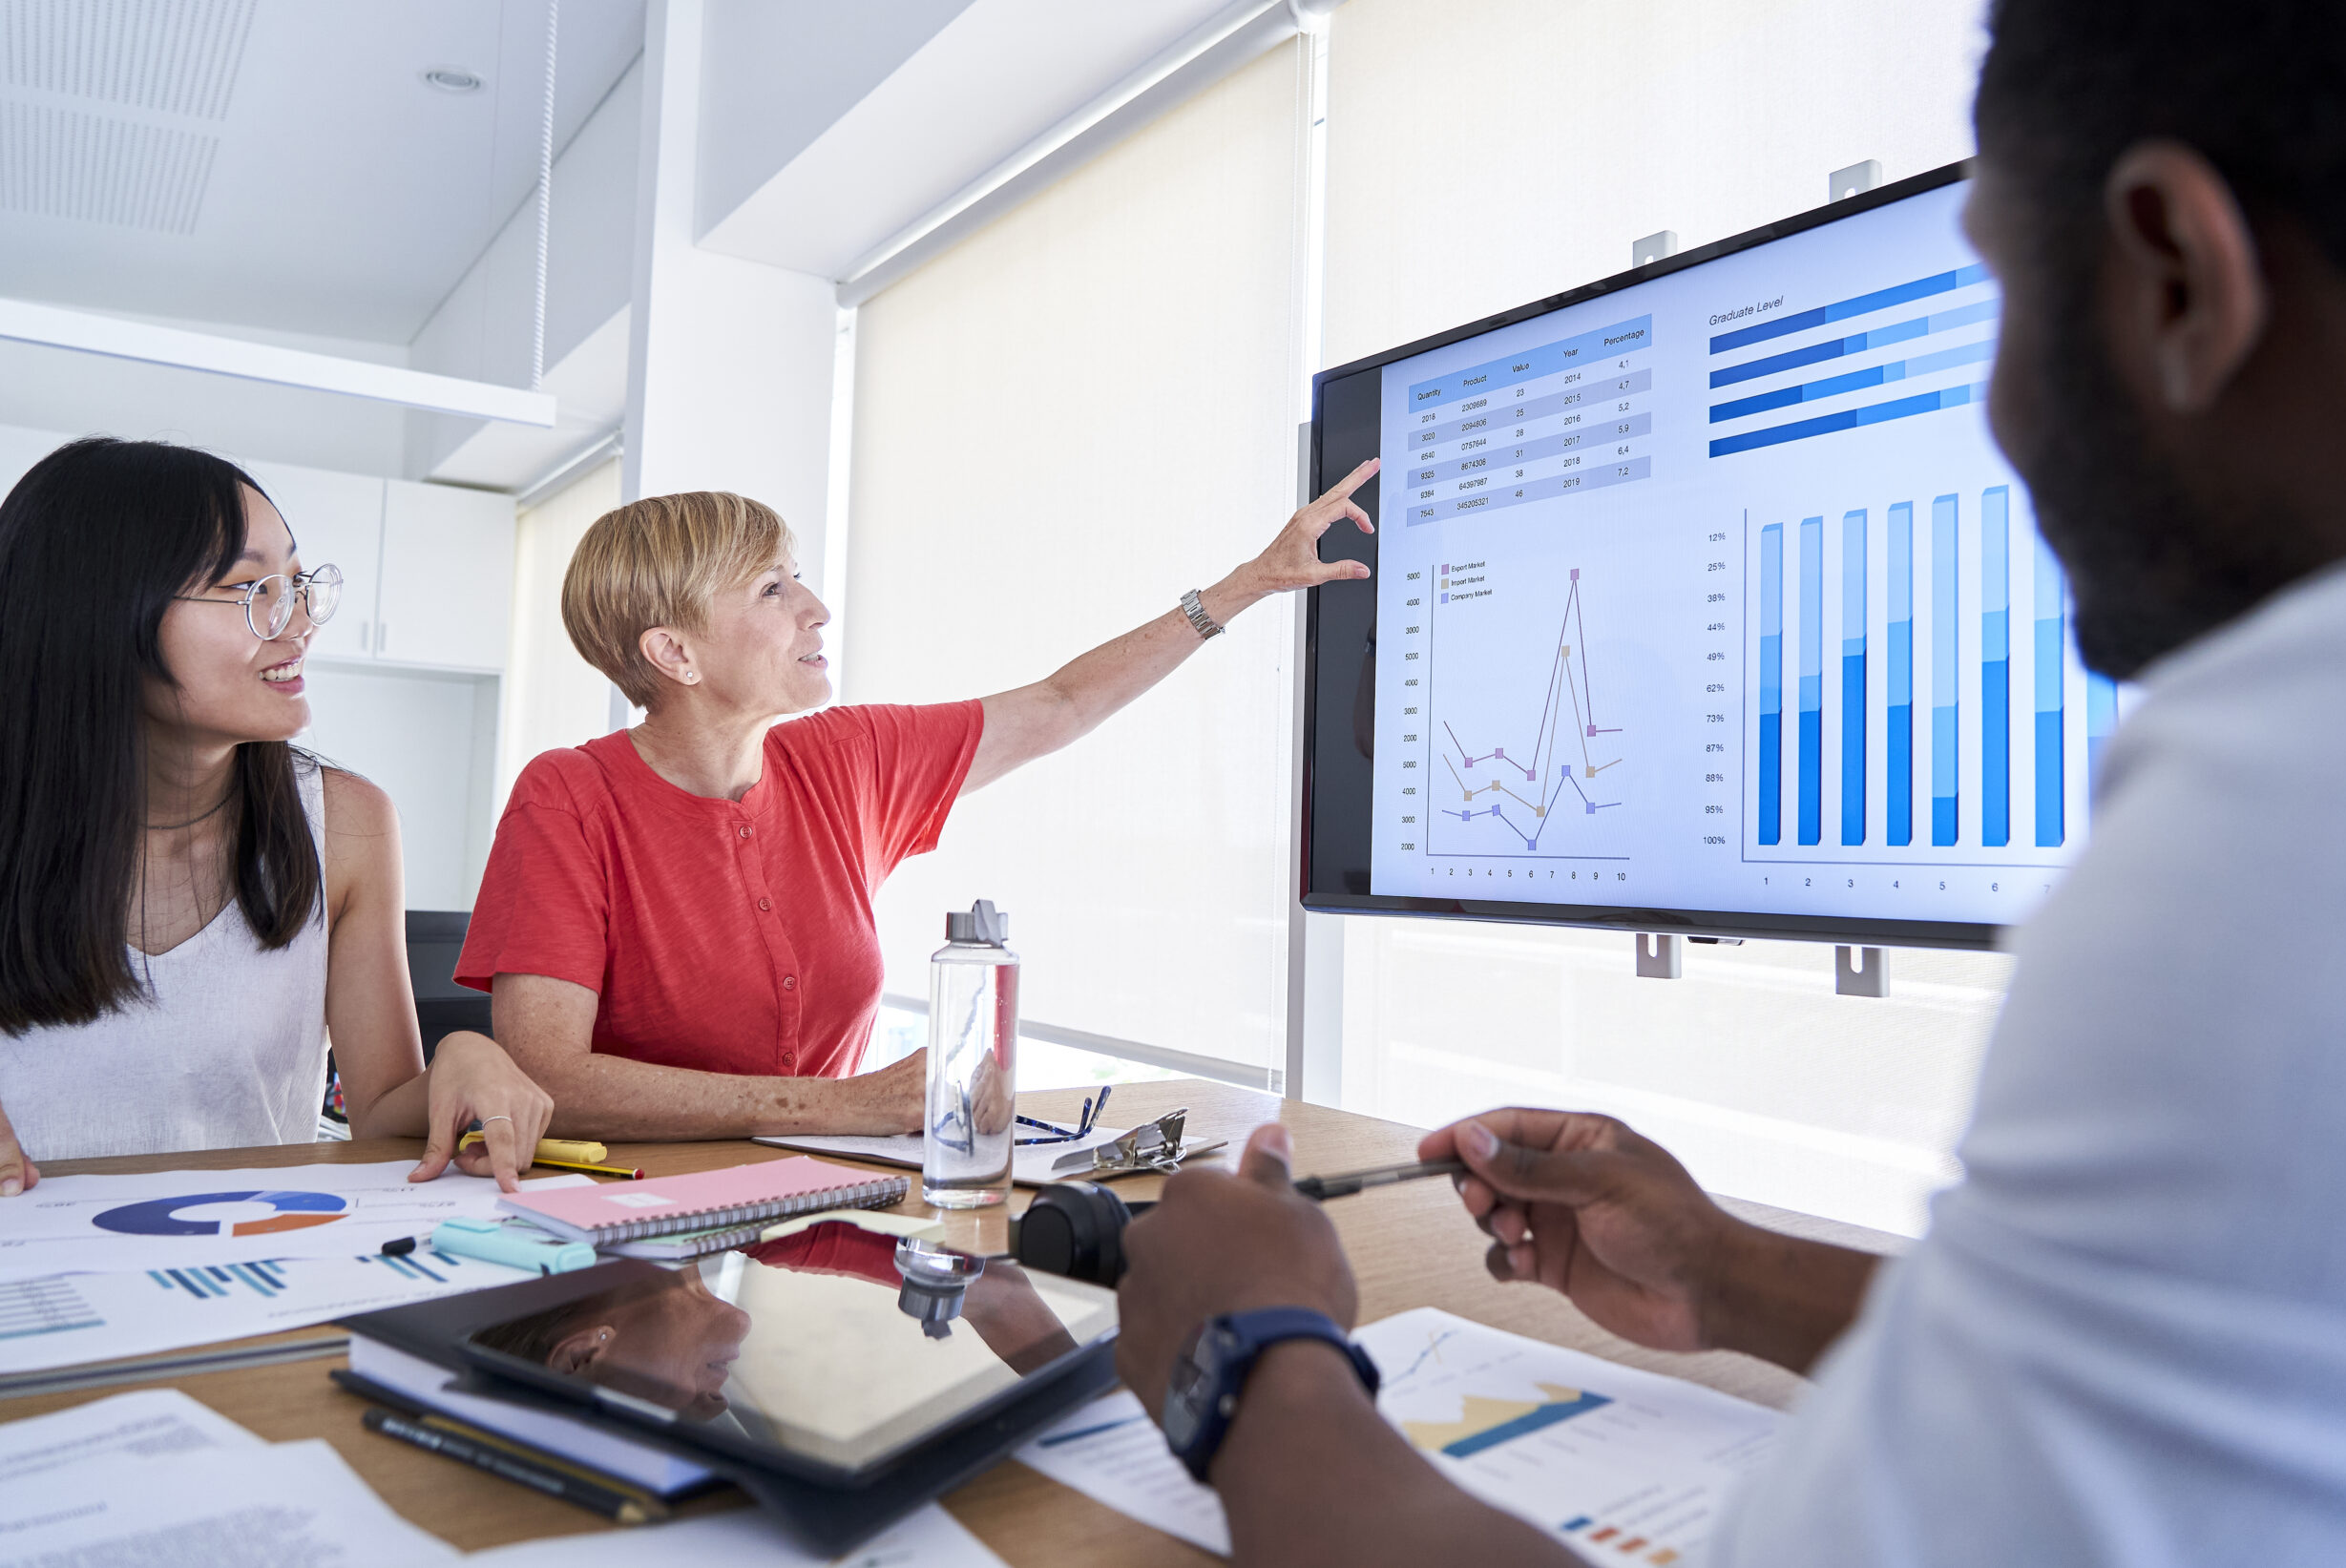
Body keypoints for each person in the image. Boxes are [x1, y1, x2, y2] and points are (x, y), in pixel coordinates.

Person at [1111, 0, 2346, 1561]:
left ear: (2176, 270)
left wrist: (1247, 1357)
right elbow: (2239, 1355)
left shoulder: (2328, 785)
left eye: (2003, 298)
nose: (2005, 416)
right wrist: (1735, 1272)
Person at [457, 467, 1379, 1139]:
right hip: (634, 1227)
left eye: (800, 574)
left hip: (823, 1201)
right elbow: (545, 1075)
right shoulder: (569, 797)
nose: (814, 606)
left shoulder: (845, 756)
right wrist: (836, 1108)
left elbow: (1057, 706)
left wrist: (1246, 585)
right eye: (773, 588)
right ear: (674, 654)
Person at [0, 440, 554, 1196]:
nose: (299, 621)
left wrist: (462, 1062)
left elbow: (384, 1121)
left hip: (252, 1283)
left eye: (296, 582)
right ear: (99, 613)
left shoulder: (348, 824)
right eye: (249, 587)